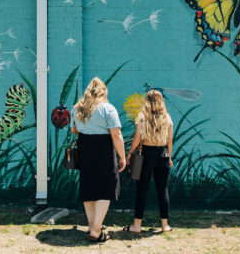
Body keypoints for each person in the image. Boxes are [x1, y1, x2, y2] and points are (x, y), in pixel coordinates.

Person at [70, 77, 126, 242]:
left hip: (84, 147)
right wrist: (122, 156)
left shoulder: (77, 108)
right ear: (103, 92)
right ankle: (96, 230)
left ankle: (92, 225)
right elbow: (116, 134)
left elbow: (74, 129)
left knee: (88, 186)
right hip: (103, 148)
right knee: (106, 188)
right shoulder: (108, 109)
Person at [124, 90, 173, 233]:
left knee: (142, 189)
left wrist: (130, 153)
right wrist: (169, 157)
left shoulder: (142, 116)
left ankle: (137, 226)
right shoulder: (167, 117)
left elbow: (137, 138)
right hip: (163, 153)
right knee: (162, 189)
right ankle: (165, 226)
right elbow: (169, 141)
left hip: (146, 153)